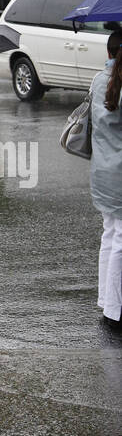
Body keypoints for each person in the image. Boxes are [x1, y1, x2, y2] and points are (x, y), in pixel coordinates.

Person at [88, 30, 122, 332]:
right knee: (120, 238)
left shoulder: (98, 81)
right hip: (120, 174)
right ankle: (115, 310)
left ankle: (106, 299)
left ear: (109, 52)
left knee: (110, 234)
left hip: (102, 174)